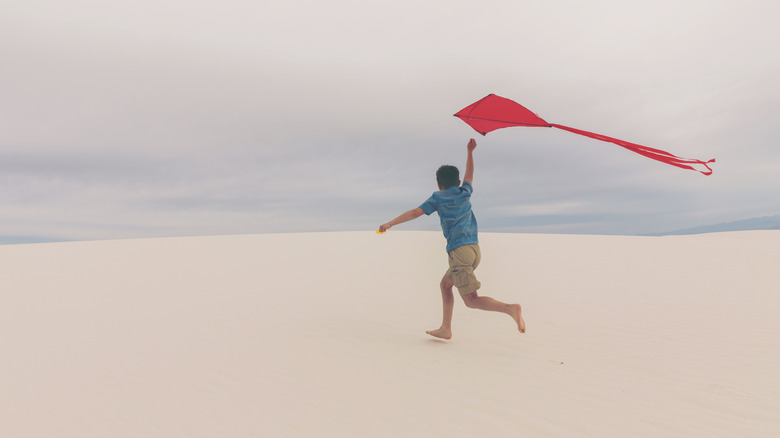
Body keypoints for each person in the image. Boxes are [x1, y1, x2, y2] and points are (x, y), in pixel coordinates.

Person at [379, 138, 525, 339]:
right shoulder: (464, 192)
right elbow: (470, 175)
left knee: (471, 300)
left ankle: (510, 309)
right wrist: (470, 152)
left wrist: (389, 223)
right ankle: (446, 328)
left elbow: (415, 213)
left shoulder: (438, 198)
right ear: (457, 183)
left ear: (438, 184)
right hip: (474, 249)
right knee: (445, 285)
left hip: (459, 251)